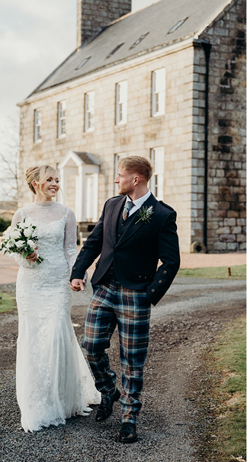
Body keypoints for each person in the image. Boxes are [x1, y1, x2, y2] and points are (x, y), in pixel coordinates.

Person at [70, 156, 180, 443]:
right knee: (91, 346)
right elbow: (94, 242)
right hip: (104, 287)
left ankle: (129, 417)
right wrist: (78, 271)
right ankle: (108, 389)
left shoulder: (162, 215)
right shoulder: (111, 205)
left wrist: (148, 295)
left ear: (136, 179)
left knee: (133, 360)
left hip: (136, 295)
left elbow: (170, 261)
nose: (116, 180)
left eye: (120, 175)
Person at [10, 165, 100, 432]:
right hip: (31, 283)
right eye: (50, 179)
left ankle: (62, 398)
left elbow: (71, 250)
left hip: (57, 282)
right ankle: (38, 400)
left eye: (57, 180)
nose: (55, 184)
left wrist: (78, 274)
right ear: (36, 183)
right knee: (34, 336)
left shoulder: (66, 213)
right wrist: (25, 256)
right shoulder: (22, 214)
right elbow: (14, 249)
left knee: (56, 334)